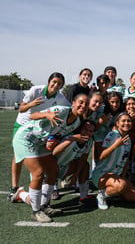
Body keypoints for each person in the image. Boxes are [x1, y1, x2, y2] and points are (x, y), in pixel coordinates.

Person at [12, 94, 89, 222]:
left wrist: (54, 141)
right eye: (81, 102)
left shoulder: (77, 123)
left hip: (41, 143)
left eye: (86, 104)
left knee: (54, 171)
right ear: (73, 103)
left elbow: (58, 135)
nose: (83, 106)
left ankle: (44, 206)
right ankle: (36, 211)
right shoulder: (61, 110)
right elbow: (32, 115)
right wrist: (47, 115)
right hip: (26, 138)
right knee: (38, 173)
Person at [8, 72, 70, 202]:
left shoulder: (60, 98)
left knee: (39, 158)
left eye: (59, 84)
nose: (56, 85)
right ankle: (14, 188)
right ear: (49, 82)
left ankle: (41, 187)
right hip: (22, 125)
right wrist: (32, 104)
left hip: (38, 128)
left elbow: (71, 108)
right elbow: (21, 109)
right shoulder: (36, 90)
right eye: (54, 82)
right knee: (17, 157)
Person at [91, 112, 135, 210]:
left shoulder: (128, 139)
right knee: (121, 185)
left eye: (129, 121)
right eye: (123, 121)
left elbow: (126, 160)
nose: (126, 123)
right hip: (102, 175)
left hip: (116, 176)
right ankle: (101, 196)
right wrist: (115, 145)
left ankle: (113, 191)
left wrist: (123, 176)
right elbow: (101, 156)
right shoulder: (112, 134)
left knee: (134, 197)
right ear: (117, 123)